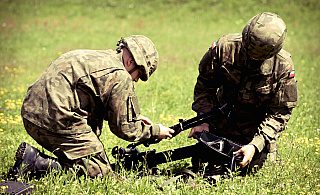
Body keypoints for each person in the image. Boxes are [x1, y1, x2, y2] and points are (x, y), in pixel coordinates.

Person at [10, 35, 174, 178]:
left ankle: (46, 161)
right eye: (140, 74)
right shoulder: (120, 75)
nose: (137, 80)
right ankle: (34, 162)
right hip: (54, 120)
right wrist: (155, 131)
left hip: (31, 114)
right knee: (100, 173)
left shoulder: (93, 56)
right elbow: (125, 129)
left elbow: (88, 99)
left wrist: (131, 117)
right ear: (131, 62)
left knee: (92, 161)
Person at [188, 12, 298, 175]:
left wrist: (255, 145)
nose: (251, 59)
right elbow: (205, 86)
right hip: (219, 124)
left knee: (256, 171)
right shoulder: (224, 48)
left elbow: (279, 113)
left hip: (255, 133)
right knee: (204, 162)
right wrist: (204, 120)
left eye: (257, 58)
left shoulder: (282, 66)